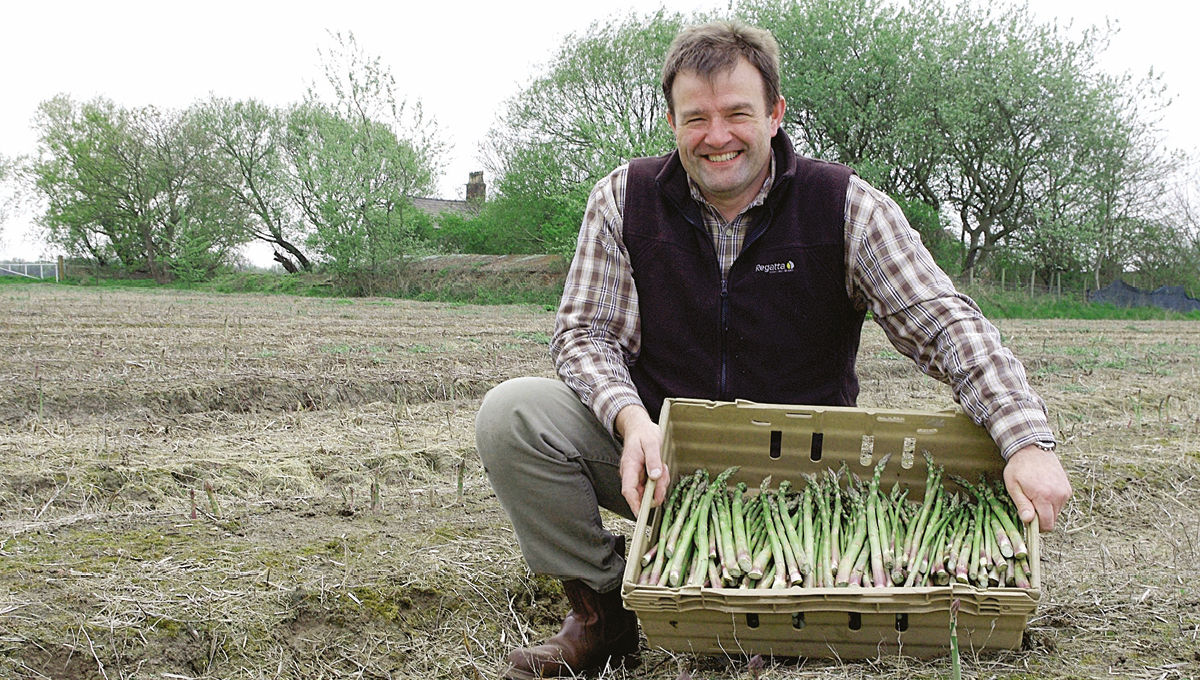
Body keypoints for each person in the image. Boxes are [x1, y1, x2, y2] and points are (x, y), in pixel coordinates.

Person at [475, 19, 1072, 680]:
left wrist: (1025, 443)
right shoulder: (624, 198)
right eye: (696, 118)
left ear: (776, 113)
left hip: (805, 470)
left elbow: (945, 324)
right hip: (660, 457)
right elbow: (585, 334)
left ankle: (778, 600)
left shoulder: (845, 206)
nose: (718, 136)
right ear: (671, 119)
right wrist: (631, 420)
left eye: (737, 113)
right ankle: (604, 613)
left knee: (975, 433)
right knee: (514, 416)